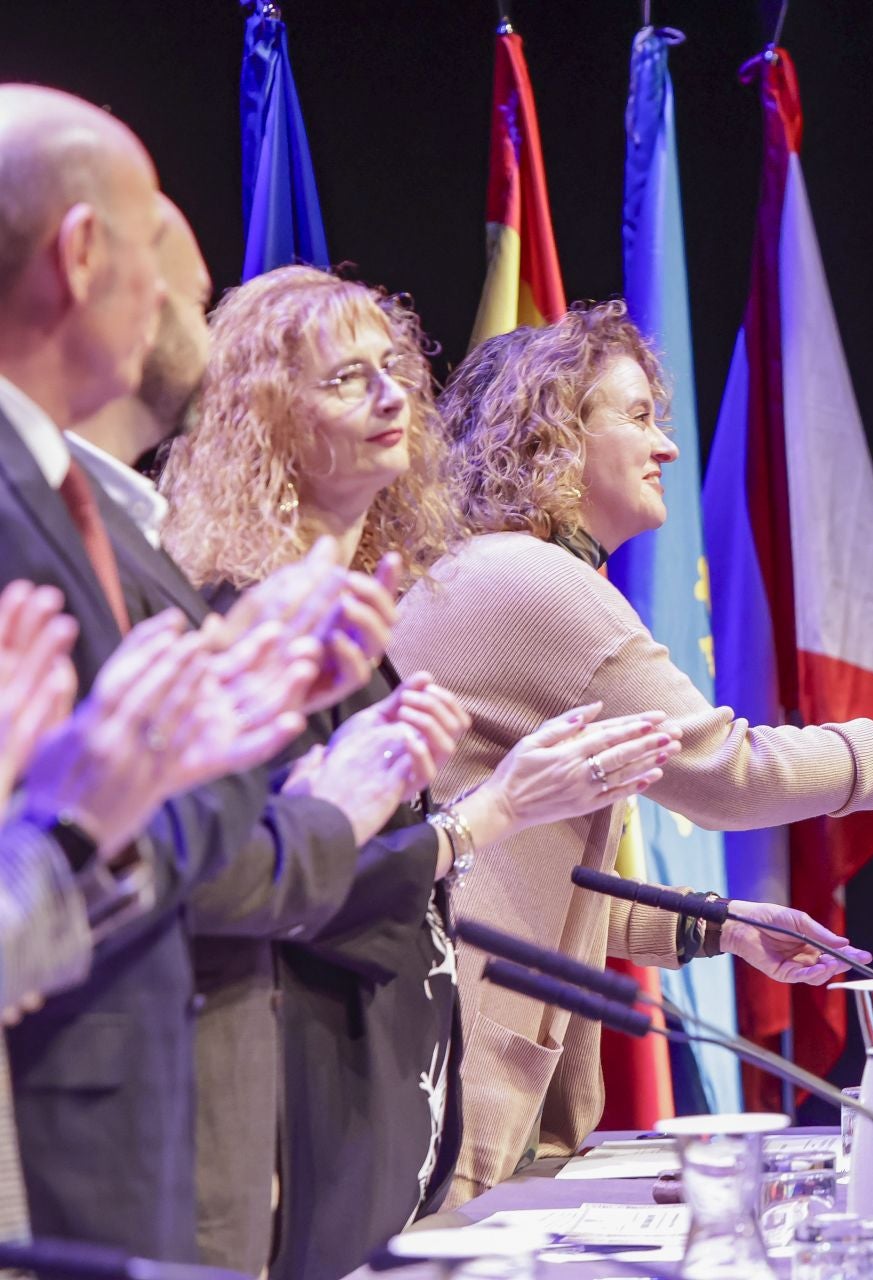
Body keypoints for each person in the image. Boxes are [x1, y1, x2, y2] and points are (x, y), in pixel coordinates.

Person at [388, 301, 873, 1205]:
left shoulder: (490, 570)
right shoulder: (535, 579)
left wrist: (724, 927)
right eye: (636, 416)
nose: (666, 447)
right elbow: (729, 775)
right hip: (454, 1098)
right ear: (553, 434)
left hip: (450, 1082)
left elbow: (531, 883)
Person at [157, 265, 686, 1279]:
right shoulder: (234, 616)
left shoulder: (365, 620)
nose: (396, 394)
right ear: (267, 411)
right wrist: (489, 812)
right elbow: (264, 887)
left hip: (393, 1120)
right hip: (287, 1128)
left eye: (394, 369)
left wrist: (705, 922)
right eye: (348, 378)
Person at [0, 83, 332, 1258]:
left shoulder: (69, 490)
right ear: (81, 251)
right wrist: (81, 819)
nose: (171, 301)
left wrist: (233, 699)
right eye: (154, 252)